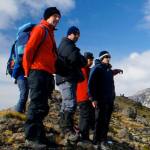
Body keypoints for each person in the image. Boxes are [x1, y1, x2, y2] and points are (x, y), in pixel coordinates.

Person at [23, 7, 61, 147]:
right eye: (55, 16)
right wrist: (27, 72)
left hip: (47, 74)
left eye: (59, 17)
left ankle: (39, 136)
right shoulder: (40, 29)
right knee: (36, 105)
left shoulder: (50, 33)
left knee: (43, 107)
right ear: (47, 16)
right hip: (37, 72)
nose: (57, 19)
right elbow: (29, 50)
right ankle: (31, 138)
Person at [56, 26, 87, 139]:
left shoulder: (65, 45)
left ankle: (64, 127)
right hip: (66, 78)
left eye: (78, 34)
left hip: (64, 78)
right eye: (75, 34)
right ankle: (67, 130)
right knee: (70, 103)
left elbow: (78, 60)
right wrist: (81, 58)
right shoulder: (68, 45)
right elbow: (78, 60)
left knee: (66, 103)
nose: (77, 36)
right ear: (70, 34)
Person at [88, 50, 123, 150]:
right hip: (100, 99)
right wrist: (92, 98)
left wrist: (117, 70)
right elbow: (91, 84)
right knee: (99, 121)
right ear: (102, 58)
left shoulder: (107, 69)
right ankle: (95, 142)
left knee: (106, 121)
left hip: (109, 100)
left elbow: (111, 73)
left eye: (109, 57)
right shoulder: (97, 68)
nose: (108, 58)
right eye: (106, 57)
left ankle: (103, 140)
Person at [76, 52, 95, 142]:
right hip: (83, 97)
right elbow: (86, 85)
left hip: (84, 97)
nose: (91, 62)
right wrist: (91, 97)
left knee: (86, 116)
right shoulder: (83, 69)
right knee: (85, 117)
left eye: (92, 60)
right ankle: (83, 137)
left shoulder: (86, 69)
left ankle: (85, 136)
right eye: (90, 60)